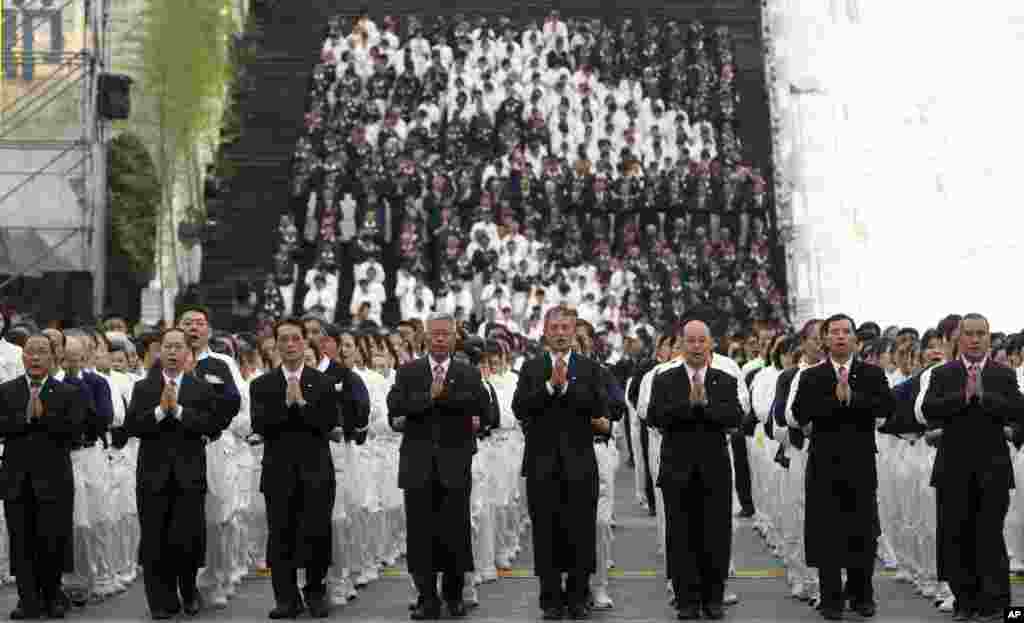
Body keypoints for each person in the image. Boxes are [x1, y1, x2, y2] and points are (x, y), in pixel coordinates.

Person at [922, 313, 1024, 622]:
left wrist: (985, 398)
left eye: (981, 333)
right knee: (957, 536)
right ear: (959, 338)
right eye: (969, 333)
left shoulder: (1003, 375)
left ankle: (997, 604)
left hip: (993, 469)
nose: (976, 339)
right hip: (953, 468)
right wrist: (963, 397)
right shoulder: (944, 374)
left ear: (989, 337)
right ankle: (965, 601)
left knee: (990, 536)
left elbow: (1018, 410)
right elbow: (929, 409)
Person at [791, 314, 892, 620]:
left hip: (860, 464)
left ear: (855, 339)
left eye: (845, 332)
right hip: (824, 465)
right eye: (833, 332)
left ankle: (862, 595)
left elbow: (886, 407)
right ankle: (831, 597)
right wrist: (835, 402)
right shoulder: (811, 376)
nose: (840, 337)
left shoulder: (872, 374)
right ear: (825, 339)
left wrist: (853, 399)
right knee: (827, 533)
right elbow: (799, 413)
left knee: (862, 531)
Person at [387, 312, 486, 620]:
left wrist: (446, 398)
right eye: (435, 333)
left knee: (455, 535)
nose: (440, 338)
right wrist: (427, 399)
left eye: (446, 333)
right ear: (426, 337)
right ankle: (426, 596)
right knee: (420, 535)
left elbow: (483, 407)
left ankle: (454, 595)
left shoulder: (468, 372)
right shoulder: (409, 372)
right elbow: (395, 408)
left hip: (455, 465)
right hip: (418, 466)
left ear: (455, 337)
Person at [512, 305, 609, 620]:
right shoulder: (530, 368)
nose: (560, 333)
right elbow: (521, 408)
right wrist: (549, 388)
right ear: (545, 331)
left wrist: (566, 387)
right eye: (554, 327)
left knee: (581, 532)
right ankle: (550, 597)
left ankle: (579, 595)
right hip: (542, 464)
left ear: (573, 330)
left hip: (580, 464)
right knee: (546, 533)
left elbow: (598, 406)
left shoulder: (590, 368)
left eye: (566, 327)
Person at [125, 328, 227, 620]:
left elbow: (212, 426)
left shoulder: (201, 389)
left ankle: (188, 589)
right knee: (155, 538)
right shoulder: (144, 388)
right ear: (159, 352)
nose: (171, 352)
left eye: (177, 347)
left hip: (189, 473)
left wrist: (180, 411)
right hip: (152, 474)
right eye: (166, 347)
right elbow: (133, 426)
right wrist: (159, 412)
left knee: (187, 537)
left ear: (187, 354)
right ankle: (160, 599)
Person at [647, 320, 741, 620]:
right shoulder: (665, 379)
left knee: (715, 535)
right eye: (691, 341)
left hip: (714, 469)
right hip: (678, 469)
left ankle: (713, 597)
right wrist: (690, 406)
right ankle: (686, 599)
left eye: (702, 341)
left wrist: (706, 406)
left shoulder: (724, 379)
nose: (697, 347)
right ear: (682, 345)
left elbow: (734, 416)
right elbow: (655, 416)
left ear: (711, 343)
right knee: (681, 536)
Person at [250, 318, 337, 619]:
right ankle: (285, 597)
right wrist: (285, 407)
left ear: (304, 343)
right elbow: (260, 425)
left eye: (296, 339)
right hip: (278, 470)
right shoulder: (262, 385)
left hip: (316, 470)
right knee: (280, 535)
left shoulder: (323, 382)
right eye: (284, 339)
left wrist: (303, 405)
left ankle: (315, 591)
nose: (290, 345)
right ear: (275, 344)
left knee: (317, 533)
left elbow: (328, 424)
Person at [0, 333, 83, 619]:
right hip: (16, 478)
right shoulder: (7, 391)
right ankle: (27, 600)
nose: (35, 358)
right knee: (21, 540)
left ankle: (51, 596)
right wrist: (25, 418)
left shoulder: (67, 393)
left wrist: (43, 418)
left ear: (53, 357)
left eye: (42, 352)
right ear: (23, 357)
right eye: (30, 352)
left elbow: (75, 433)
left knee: (51, 539)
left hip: (54, 479)